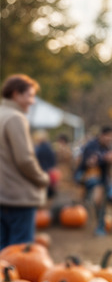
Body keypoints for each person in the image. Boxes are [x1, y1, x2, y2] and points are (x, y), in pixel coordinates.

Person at [0, 74, 50, 250]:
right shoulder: (15, 118)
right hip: (17, 199)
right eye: (30, 95)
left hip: (2, 197)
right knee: (19, 254)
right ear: (16, 94)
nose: (33, 101)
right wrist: (42, 178)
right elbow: (25, 159)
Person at [74, 126, 112, 235]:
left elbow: (110, 165)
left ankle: (101, 223)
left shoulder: (109, 147)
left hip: (103, 179)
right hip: (87, 177)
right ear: (102, 136)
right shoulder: (91, 146)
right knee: (98, 196)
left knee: (105, 196)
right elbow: (90, 163)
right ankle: (99, 225)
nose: (109, 141)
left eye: (111, 139)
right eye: (107, 138)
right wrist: (104, 159)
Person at [33, 129, 59, 199]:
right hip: (48, 170)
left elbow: (36, 159)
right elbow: (53, 160)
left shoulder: (40, 148)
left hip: (43, 170)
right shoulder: (49, 147)